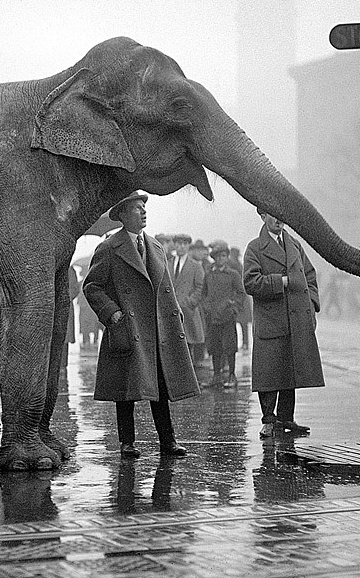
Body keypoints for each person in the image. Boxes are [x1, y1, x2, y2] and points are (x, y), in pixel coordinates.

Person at [83, 191, 199, 458]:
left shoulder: (156, 247)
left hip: (158, 329)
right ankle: (127, 443)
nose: (143, 212)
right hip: (128, 328)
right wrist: (112, 313)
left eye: (144, 207)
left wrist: (176, 315)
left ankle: (168, 441)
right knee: (127, 390)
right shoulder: (109, 248)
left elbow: (166, 287)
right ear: (123, 215)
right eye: (137, 208)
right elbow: (92, 286)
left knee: (161, 386)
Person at [244, 209, 323, 439]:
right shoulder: (255, 248)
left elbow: (309, 275)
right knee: (268, 374)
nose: (279, 219)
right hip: (270, 320)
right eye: (273, 215)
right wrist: (282, 281)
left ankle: (286, 418)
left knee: (290, 370)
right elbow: (250, 282)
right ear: (262, 217)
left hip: (295, 318)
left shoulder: (295, 245)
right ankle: (268, 420)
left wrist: (312, 305)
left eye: (281, 214)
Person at [202, 241, 245, 388]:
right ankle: (216, 375)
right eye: (218, 256)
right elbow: (204, 294)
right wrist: (206, 307)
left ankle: (232, 375)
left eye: (224, 256)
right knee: (214, 346)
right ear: (214, 258)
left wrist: (234, 309)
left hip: (227, 316)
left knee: (230, 346)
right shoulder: (209, 274)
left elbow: (241, 294)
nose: (221, 259)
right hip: (213, 317)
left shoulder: (233, 274)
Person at [169, 233, 206, 366]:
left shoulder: (195, 266)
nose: (181, 247)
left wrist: (190, 302)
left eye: (185, 244)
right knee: (173, 346)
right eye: (179, 244)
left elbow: (200, 287)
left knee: (189, 344)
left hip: (188, 311)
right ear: (175, 245)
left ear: (188, 246)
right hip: (171, 311)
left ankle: (189, 379)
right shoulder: (168, 264)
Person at [228, 246, 252, 352]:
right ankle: (244, 343)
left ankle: (244, 343)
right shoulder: (239, 266)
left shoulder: (236, 266)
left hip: (240, 298)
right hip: (241, 298)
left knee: (242, 323)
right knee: (242, 323)